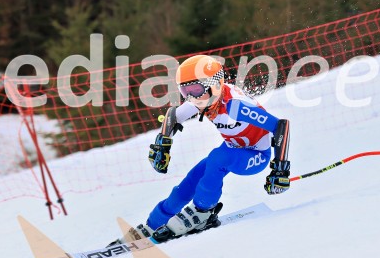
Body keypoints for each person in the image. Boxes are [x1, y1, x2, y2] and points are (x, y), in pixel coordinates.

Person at [111, 54, 291, 245]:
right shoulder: (204, 99)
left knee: (217, 158)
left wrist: (280, 171)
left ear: (214, 85)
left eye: (195, 90)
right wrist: (162, 145)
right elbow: (173, 116)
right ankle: (153, 224)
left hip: (256, 156)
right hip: (231, 150)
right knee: (189, 183)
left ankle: (203, 211)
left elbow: (281, 126)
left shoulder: (235, 106)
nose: (191, 97)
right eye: (184, 91)